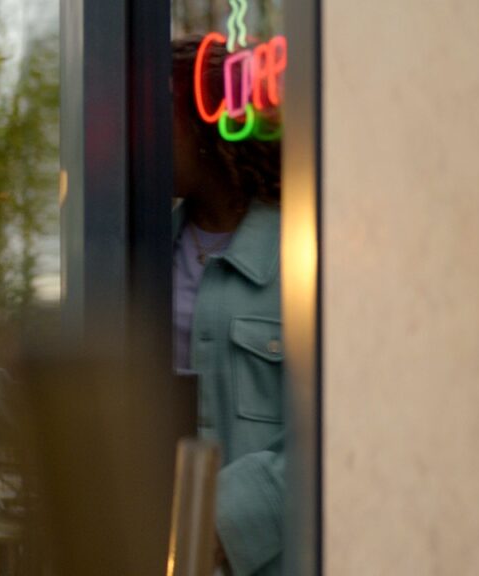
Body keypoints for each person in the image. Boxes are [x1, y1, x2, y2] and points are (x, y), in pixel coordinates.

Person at [170, 36, 287, 576]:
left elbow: (347, 421)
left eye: (158, 117)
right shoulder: (139, 254)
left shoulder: (305, 258)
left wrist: (219, 522)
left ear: (203, 127)